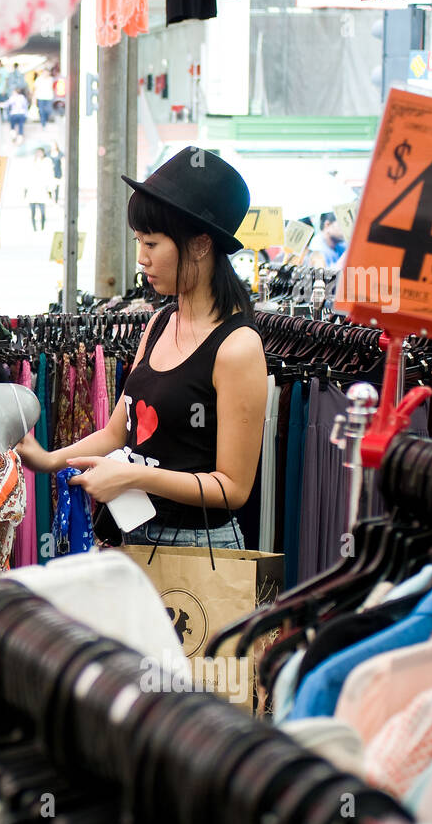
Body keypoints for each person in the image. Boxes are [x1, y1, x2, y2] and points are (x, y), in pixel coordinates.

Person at [16, 148, 268, 549]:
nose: (141, 258)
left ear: (201, 244)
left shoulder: (237, 348)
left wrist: (133, 476)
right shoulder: (158, 324)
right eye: (138, 241)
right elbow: (119, 431)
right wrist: (48, 459)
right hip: (133, 536)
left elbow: (232, 488)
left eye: (151, 243)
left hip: (199, 550)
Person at [24, 147, 55, 232]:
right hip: (32, 190)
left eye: (40, 152)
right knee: (33, 212)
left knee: (43, 212)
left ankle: (42, 227)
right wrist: (25, 191)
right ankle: (34, 228)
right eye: (37, 152)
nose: (39, 154)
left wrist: (50, 190)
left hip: (42, 190)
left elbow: (50, 176)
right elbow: (27, 177)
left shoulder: (47, 162)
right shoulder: (32, 162)